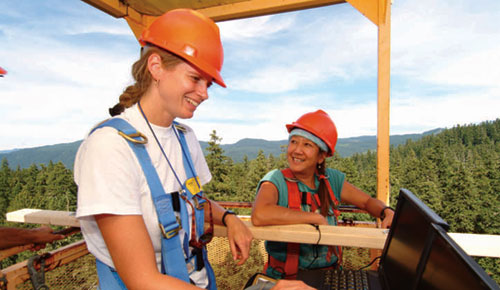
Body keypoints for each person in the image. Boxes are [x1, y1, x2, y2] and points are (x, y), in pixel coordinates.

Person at [74, 9, 256, 290]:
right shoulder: (109, 147)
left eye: (208, 83)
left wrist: (229, 219)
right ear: (156, 66)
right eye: (195, 78)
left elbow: (191, 200)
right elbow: (142, 280)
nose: (205, 93)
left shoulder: (185, 138)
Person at [251, 109, 395, 280]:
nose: (296, 150)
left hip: (330, 277)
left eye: (307, 145)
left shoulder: (330, 180)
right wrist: (311, 217)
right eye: (294, 141)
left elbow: (367, 202)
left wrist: (386, 211)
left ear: (321, 156)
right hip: (285, 280)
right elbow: (260, 214)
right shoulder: (275, 180)